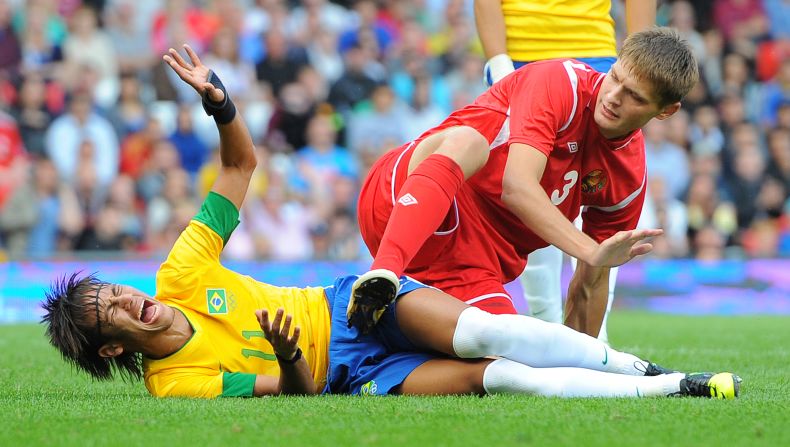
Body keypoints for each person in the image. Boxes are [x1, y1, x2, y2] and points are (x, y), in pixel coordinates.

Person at [41, 44, 740, 399]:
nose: (129, 297)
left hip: (350, 305)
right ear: (111, 348)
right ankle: (667, 386)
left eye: (112, 288)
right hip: (349, 371)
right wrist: (287, 355)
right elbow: (295, 391)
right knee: (496, 377)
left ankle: (654, 374)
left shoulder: (181, 273)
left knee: (491, 333)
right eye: (112, 311)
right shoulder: (173, 383)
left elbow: (237, 171)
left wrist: (221, 104)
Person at [348, 28, 696, 339]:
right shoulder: (560, 82)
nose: (613, 96)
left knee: (506, 346)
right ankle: (383, 273)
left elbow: (591, 282)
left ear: (666, 111)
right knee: (469, 141)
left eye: (634, 96)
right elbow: (516, 187)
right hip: (404, 205)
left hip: (472, 267)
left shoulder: (629, 176)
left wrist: (582, 364)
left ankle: (379, 333)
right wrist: (590, 250)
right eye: (614, 77)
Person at [474, 0, 656, 343]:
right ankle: (548, 326)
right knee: (532, 189)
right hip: (524, 58)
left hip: (599, 59)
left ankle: (594, 336)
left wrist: (642, 68)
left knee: (608, 189)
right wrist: (500, 64)